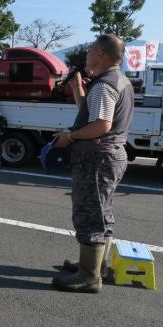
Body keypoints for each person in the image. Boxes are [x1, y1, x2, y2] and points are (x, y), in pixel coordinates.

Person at [51, 34, 134, 293]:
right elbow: (93, 113)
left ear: (100, 53)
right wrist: (78, 89)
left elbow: (100, 125)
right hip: (111, 154)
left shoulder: (104, 85)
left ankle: (88, 276)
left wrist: (70, 136)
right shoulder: (118, 80)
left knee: (89, 214)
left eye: (89, 50)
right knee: (101, 212)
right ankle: (96, 265)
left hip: (97, 157)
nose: (86, 55)